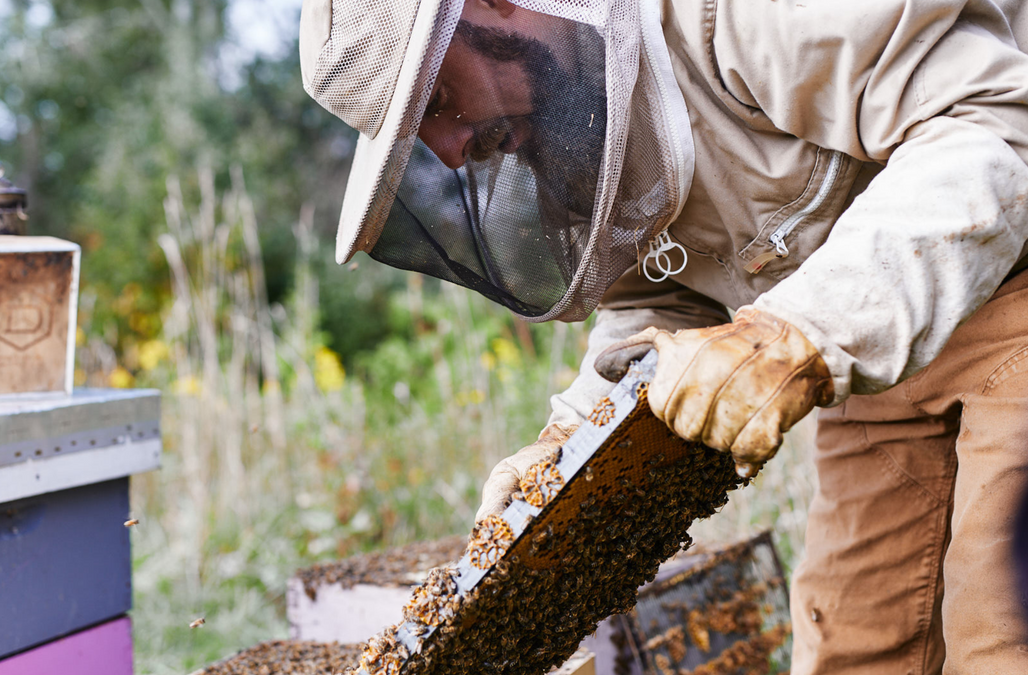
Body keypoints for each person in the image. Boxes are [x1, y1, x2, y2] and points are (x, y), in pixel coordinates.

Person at [298, 0, 1028, 672]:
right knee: (853, 648)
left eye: (439, 102)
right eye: (423, 136)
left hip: (1010, 283)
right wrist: (571, 445)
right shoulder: (575, 109)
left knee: (998, 633)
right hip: (869, 359)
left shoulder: (735, 14)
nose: (453, 153)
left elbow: (993, 127)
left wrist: (801, 330)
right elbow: (664, 292)